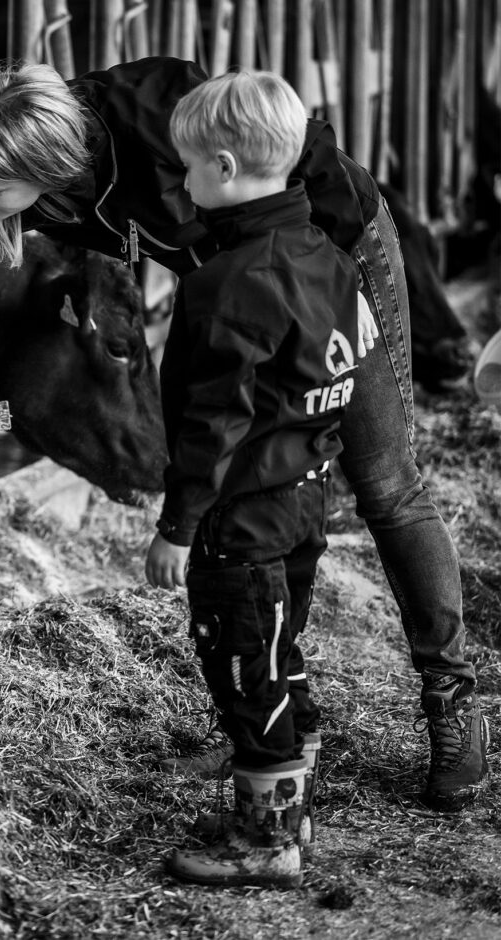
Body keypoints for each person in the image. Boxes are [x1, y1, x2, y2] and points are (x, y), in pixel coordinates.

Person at [0, 56, 488, 814]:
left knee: (385, 481)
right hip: (236, 297)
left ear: (46, 167)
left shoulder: (161, 111)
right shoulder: (5, 176)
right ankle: (284, 730)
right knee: (251, 505)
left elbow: (309, 164)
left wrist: (312, 343)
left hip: (332, 251)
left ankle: (454, 704)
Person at [143, 68, 359, 887]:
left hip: (242, 512)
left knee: (240, 651)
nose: (184, 182)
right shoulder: (325, 255)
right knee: (277, 635)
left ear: (225, 170)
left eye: (190, 168)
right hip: (308, 495)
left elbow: (212, 426)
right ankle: (292, 754)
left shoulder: (226, 285)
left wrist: (178, 526)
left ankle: (266, 838)